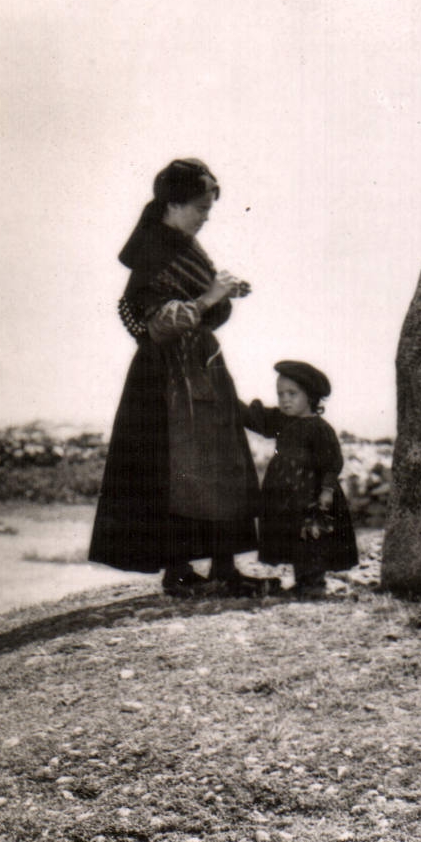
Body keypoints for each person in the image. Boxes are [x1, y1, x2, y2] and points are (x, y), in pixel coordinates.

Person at [89, 159, 262, 596]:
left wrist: (223, 295)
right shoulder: (153, 251)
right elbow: (158, 324)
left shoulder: (185, 248)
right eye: (200, 208)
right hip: (165, 379)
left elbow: (199, 313)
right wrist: (210, 297)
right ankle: (178, 568)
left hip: (200, 369)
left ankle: (224, 564)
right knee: (176, 469)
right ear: (172, 204)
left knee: (221, 461)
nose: (206, 217)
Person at [245, 360, 359, 599]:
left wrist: (327, 491)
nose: (285, 399)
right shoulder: (281, 422)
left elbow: (332, 461)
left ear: (310, 397)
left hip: (311, 496)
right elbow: (257, 419)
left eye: (292, 394)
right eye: (280, 394)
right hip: (286, 496)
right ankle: (302, 582)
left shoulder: (319, 428)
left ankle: (314, 584)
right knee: (294, 538)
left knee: (312, 538)